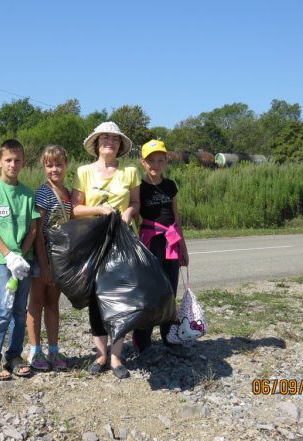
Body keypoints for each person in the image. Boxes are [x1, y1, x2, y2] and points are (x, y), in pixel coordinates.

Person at [71, 121, 140, 379]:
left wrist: (128, 214)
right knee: (95, 296)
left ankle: (116, 356)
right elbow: (76, 209)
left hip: (121, 240)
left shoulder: (130, 172)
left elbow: (135, 202)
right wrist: (100, 210)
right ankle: (100, 353)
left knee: (121, 295)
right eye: (105, 138)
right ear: (96, 144)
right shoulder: (84, 172)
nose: (110, 142)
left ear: (120, 145)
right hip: (93, 241)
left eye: (115, 138)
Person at [0, 139, 40, 381]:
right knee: (4, 307)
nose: (13, 164)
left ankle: (14, 356)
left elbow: (33, 230)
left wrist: (21, 257)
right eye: (8, 160)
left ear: (23, 163)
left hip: (22, 261)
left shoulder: (27, 193)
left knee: (19, 311)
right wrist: (8, 255)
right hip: (3, 259)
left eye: (17, 160)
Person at [132, 139, 189, 358]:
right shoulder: (139, 187)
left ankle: (170, 337)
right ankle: (142, 341)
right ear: (143, 162)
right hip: (149, 240)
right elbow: (135, 216)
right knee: (149, 291)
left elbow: (176, 216)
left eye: (160, 160)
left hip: (171, 241)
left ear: (166, 161)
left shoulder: (171, 186)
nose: (155, 165)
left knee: (169, 290)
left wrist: (183, 246)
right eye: (150, 161)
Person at [26, 145, 72, 371]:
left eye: (59, 164)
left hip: (60, 260)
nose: (55, 169)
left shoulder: (69, 193)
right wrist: (43, 265)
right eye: (49, 165)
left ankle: (53, 350)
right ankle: (34, 350)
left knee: (53, 303)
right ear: (44, 167)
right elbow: (38, 231)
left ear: (66, 165)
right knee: (36, 302)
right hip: (41, 257)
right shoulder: (42, 193)